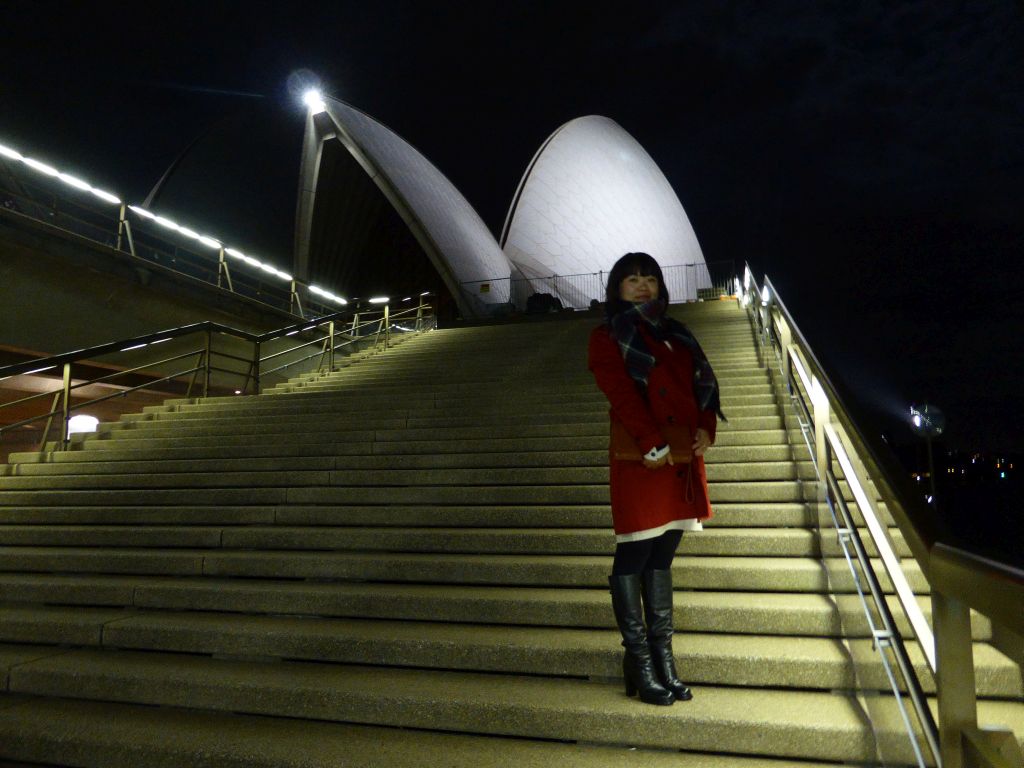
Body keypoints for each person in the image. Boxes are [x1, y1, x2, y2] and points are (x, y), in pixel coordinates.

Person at [587, 252, 725, 706]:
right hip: (644, 459)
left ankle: (663, 661)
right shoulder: (607, 337)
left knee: (662, 556)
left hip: (682, 455)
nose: (642, 285)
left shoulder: (677, 334)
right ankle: (640, 660)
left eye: (649, 278)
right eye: (632, 280)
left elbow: (703, 386)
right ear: (616, 288)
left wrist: (707, 426)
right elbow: (621, 394)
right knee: (635, 552)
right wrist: (650, 442)